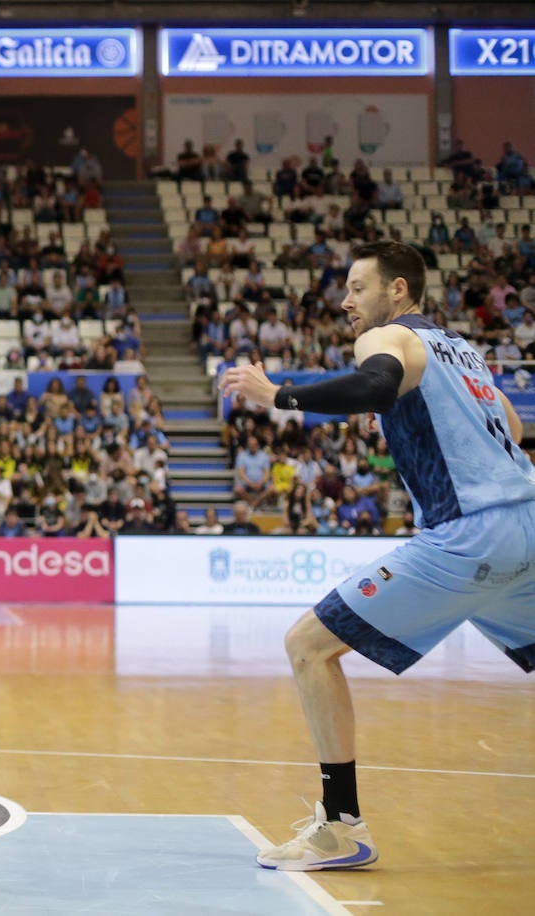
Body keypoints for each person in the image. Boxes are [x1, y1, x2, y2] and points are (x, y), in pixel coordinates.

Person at [221, 240, 535, 871]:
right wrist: (397, 415)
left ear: (397, 291)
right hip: (527, 524)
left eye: (357, 287)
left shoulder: (388, 339)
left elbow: (377, 381)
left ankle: (342, 829)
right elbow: (510, 424)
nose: (345, 300)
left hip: (468, 534)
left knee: (308, 646)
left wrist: (278, 394)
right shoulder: (463, 350)